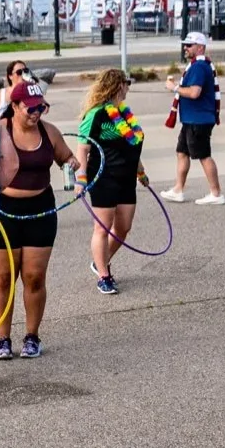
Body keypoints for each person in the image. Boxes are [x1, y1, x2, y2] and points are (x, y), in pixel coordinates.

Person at [0, 84, 73, 354]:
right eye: (31, 108)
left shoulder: (49, 132)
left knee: (34, 277)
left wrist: (72, 166)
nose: (37, 113)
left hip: (40, 210)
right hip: (3, 211)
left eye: (41, 107)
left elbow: (66, 157)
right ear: (14, 106)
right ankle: (3, 339)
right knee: (4, 277)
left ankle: (32, 336)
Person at [77, 69, 148, 297]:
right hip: (103, 177)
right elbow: (83, 148)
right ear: (118, 85)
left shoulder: (126, 114)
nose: (129, 87)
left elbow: (132, 146)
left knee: (123, 228)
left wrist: (141, 171)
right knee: (103, 227)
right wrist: (81, 179)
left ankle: (100, 261)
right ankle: (104, 276)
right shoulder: (96, 114)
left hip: (127, 179)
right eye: (127, 83)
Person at [160, 34, 225, 204]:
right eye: (185, 45)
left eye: (189, 45)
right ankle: (178, 189)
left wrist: (174, 87)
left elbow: (194, 93)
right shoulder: (198, 65)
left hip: (199, 120)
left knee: (204, 155)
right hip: (191, 119)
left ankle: (216, 193)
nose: (185, 48)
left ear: (200, 47)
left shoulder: (199, 67)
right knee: (182, 153)